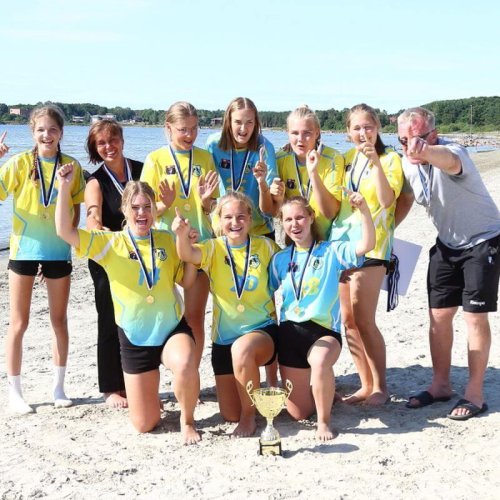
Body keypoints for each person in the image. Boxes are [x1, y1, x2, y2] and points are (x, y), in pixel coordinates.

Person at [56, 170, 201, 444]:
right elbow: (65, 230)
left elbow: (187, 281)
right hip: (135, 338)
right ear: (124, 209)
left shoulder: (167, 239)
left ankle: (187, 420)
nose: (142, 213)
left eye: (147, 206)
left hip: (171, 328)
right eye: (135, 207)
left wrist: (188, 247)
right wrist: (64, 188)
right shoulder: (110, 243)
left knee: (184, 363)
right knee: (145, 424)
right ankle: (150, 396)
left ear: (155, 209)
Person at [396, 107, 500, 420]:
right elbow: (404, 198)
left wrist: (426, 151)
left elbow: (449, 161)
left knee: (474, 317)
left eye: (417, 139)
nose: (410, 147)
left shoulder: (454, 152)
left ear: (434, 135)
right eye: (403, 141)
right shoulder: (406, 162)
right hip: (447, 244)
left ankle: (475, 393)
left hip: (483, 240)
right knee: (439, 315)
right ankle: (441, 385)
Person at [0, 105, 85, 414]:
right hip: (23, 251)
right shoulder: (19, 163)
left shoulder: (72, 166)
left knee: (59, 321)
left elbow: (77, 207)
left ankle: (59, 387)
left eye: (52, 129)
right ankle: (15, 392)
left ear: (61, 132)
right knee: (18, 323)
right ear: (32, 132)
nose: (46, 135)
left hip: (58, 253)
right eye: (40, 130)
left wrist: (70, 240)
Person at [172, 192, 279, 437]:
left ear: (250, 218)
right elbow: (187, 254)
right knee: (230, 413)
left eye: (241, 216)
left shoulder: (266, 246)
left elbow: (292, 269)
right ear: (219, 220)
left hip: (261, 331)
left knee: (242, 350)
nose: (235, 222)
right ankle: (246, 405)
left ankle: (249, 418)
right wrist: (181, 235)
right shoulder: (213, 247)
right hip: (224, 339)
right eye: (228, 217)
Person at [270, 194, 375, 440]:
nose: (295, 224)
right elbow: (265, 295)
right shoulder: (279, 259)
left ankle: (324, 423)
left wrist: (364, 210)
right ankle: (325, 390)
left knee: (319, 362)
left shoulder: (332, 250)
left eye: (299, 218)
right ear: (282, 224)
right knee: (298, 413)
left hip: (323, 332)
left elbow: (367, 244)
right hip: (289, 334)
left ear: (311, 217)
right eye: (288, 220)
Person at [329, 103, 403, 405]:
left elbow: (387, 202)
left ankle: (380, 387)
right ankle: (364, 384)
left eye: (368, 127)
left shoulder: (390, 158)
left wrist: (376, 164)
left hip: (374, 246)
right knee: (348, 321)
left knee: (365, 319)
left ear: (378, 128)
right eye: (357, 128)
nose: (363, 133)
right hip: (344, 244)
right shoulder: (346, 158)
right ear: (347, 132)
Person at [141, 101, 219, 367]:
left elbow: (211, 208)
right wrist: (164, 204)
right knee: (162, 315)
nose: (190, 135)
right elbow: (144, 212)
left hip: (199, 245)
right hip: (165, 245)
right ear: (168, 128)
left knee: (194, 316)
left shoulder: (205, 158)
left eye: (194, 128)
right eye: (183, 129)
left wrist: (206, 201)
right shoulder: (155, 159)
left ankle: (191, 374)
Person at [84, 119, 143, 408]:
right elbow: (92, 213)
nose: (109, 146)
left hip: (141, 256)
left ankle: (139, 381)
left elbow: (157, 207)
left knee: (139, 317)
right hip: (109, 258)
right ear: (95, 148)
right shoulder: (95, 181)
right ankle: (110, 387)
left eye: (113, 139)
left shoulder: (142, 170)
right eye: (102, 143)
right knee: (109, 319)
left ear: (122, 139)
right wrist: (96, 224)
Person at [206, 97, 281, 238]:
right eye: (238, 122)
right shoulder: (214, 145)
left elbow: (271, 209)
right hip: (224, 228)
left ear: (256, 123)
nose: (243, 129)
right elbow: (206, 191)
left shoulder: (264, 148)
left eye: (249, 122)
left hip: (258, 230)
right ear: (228, 122)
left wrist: (262, 182)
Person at [274, 105, 344, 240]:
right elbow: (274, 210)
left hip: (325, 240)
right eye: (295, 133)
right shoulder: (280, 158)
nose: (300, 139)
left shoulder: (333, 159)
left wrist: (313, 174)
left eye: (307, 133)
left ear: (317, 133)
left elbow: (330, 213)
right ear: (287, 133)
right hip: (294, 240)